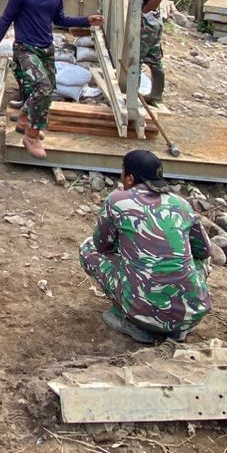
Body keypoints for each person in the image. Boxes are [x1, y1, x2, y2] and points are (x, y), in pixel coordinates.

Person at [78, 148, 211, 345]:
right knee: (200, 257)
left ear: (129, 178)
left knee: (88, 249)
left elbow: (102, 246)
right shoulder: (181, 205)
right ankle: (177, 326)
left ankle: (130, 320)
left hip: (142, 313)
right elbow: (204, 251)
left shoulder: (117, 201)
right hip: (190, 314)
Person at [0, 0, 102, 159]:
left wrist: (86, 20)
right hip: (26, 48)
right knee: (43, 87)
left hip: (46, 49)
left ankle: (24, 117)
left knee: (48, 91)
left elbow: (60, 19)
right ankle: (31, 136)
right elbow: (6, 19)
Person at [141, 0, 165, 106]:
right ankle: (156, 95)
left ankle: (132, 95)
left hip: (147, 25)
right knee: (155, 59)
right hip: (156, 21)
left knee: (135, 58)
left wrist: (143, 12)